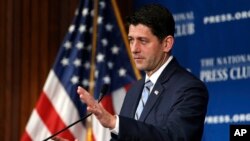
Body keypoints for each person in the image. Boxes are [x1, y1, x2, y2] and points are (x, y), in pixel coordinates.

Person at [53, 4, 209, 141]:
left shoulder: (190, 89)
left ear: (166, 44)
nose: (134, 49)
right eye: (131, 40)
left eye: (143, 41)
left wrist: (114, 122)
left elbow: (173, 137)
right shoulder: (135, 90)